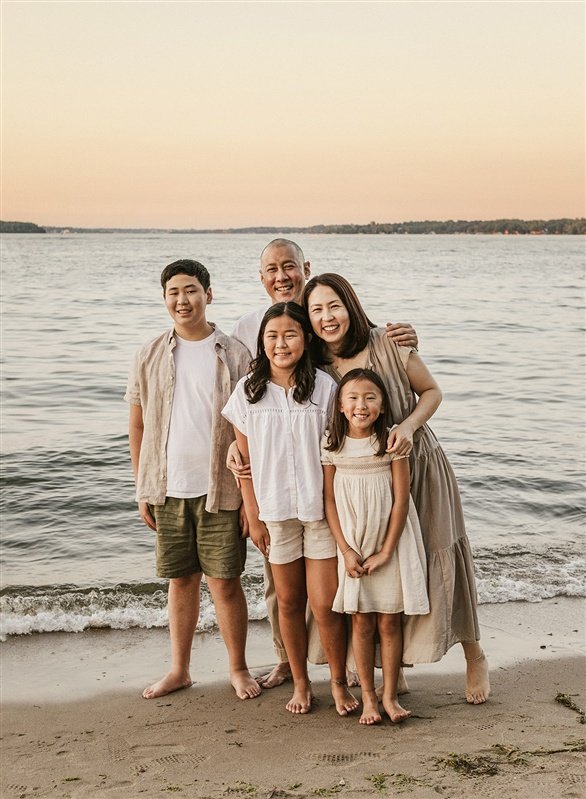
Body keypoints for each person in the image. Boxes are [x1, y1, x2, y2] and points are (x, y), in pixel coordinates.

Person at [230, 238, 418, 690]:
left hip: (322, 504)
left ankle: (349, 671)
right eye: (271, 269)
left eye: (289, 266)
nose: (281, 276)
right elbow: (243, 425)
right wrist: (242, 482)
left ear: (304, 268)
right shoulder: (248, 340)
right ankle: (290, 666)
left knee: (329, 594)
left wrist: (404, 341)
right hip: (276, 505)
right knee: (284, 596)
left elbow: (349, 413)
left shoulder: (323, 357)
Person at [303, 273, 490, 705]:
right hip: (359, 483)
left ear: (350, 304)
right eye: (317, 310)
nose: (328, 317)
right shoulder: (316, 365)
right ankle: (394, 669)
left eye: (335, 305)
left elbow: (431, 391)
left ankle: (474, 654)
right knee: (383, 569)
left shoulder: (388, 342)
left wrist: (407, 425)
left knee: (438, 556)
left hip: (418, 465)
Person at [125, 259, 260, 701]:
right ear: (165, 299)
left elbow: (251, 429)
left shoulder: (236, 353)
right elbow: (138, 426)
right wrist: (142, 487)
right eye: (173, 293)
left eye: (191, 290)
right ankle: (179, 669)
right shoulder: (148, 353)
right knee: (180, 580)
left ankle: (237, 668)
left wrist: (248, 497)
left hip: (221, 488)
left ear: (208, 294)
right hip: (167, 487)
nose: (182, 300)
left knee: (224, 581)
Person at [222, 302, 358, 716]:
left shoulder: (325, 387)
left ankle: (337, 682)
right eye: (272, 336)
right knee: (288, 602)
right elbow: (243, 465)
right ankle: (301, 684)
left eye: (291, 335)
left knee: (325, 603)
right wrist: (254, 516)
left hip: (319, 512)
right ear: (261, 343)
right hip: (275, 515)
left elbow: (335, 454)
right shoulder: (247, 391)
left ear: (307, 339)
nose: (281, 344)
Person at [322, 369, 430, 724]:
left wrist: (386, 550)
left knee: (389, 622)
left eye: (370, 398)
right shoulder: (331, 445)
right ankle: (367, 697)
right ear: (340, 405)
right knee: (362, 623)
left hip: (390, 543)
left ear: (383, 406)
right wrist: (345, 549)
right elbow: (330, 503)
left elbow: (401, 500)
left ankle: (389, 696)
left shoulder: (392, 442)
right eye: (352, 398)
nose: (361, 405)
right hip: (354, 542)